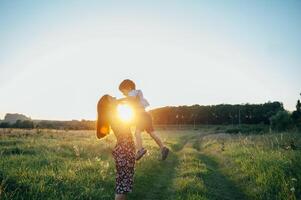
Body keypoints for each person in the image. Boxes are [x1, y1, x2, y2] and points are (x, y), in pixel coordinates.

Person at [118, 79, 169, 161]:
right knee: (152, 133)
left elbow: (131, 99)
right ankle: (163, 148)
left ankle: (140, 150)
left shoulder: (134, 92)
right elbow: (129, 102)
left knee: (137, 133)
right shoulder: (132, 95)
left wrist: (118, 101)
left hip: (142, 116)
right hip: (146, 116)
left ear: (129, 87)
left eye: (123, 91)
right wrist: (122, 102)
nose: (123, 94)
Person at [97, 94, 136, 200]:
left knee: (124, 185)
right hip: (124, 151)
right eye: (112, 98)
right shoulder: (114, 115)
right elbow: (131, 121)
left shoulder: (115, 114)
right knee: (122, 186)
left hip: (125, 150)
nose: (115, 97)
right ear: (109, 104)